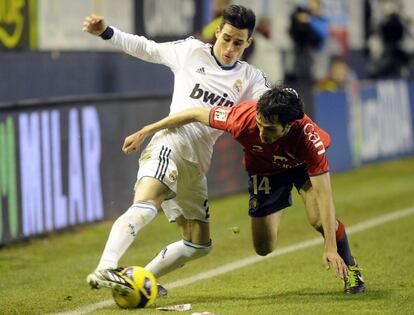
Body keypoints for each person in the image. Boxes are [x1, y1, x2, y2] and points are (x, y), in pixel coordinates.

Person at [82, 5, 271, 296]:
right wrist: (107, 33)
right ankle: (106, 266)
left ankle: (142, 279)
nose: (230, 48)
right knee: (147, 202)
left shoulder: (251, 79)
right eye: (226, 38)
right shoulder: (191, 51)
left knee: (198, 244)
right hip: (170, 143)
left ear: (249, 43)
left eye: (238, 43)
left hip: (197, 165)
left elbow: (268, 110)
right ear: (217, 32)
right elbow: (147, 48)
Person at [123, 85, 365, 294]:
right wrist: (146, 130)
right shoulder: (242, 118)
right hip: (265, 172)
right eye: (260, 125)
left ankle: (352, 269)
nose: (261, 133)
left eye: (270, 129)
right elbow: (194, 113)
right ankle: (279, 206)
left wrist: (330, 247)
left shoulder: (308, 139)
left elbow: (325, 196)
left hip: (300, 167)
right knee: (263, 248)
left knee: (318, 218)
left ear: (289, 126)